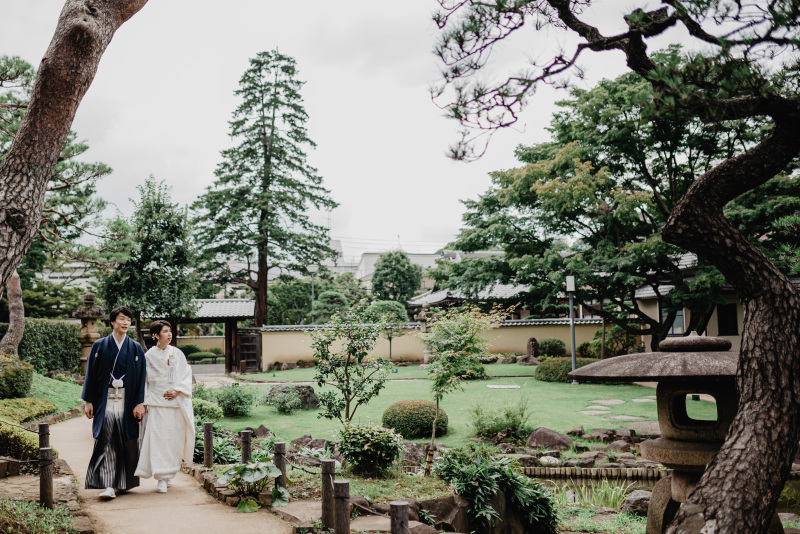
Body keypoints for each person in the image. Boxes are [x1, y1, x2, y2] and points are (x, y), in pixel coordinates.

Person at [81, 306, 147, 499]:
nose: (126, 323)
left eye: (128, 320)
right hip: (106, 400)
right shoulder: (99, 346)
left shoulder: (135, 347)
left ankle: (122, 483)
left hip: (127, 402)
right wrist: (89, 401)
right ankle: (109, 485)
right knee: (107, 439)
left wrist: (139, 402)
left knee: (125, 441)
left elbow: (142, 377)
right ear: (112, 322)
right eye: (121, 319)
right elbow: (91, 375)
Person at [135, 320, 195, 493]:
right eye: (165, 331)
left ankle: (170, 474)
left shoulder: (178, 353)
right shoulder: (149, 356)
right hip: (157, 403)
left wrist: (177, 390)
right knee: (159, 440)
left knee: (173, 440)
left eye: (170, 331)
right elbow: (144, 381)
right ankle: (161, 478)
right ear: (155, 335)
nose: (169, 334)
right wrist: (144, 402)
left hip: (175, 404)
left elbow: (186, 374)